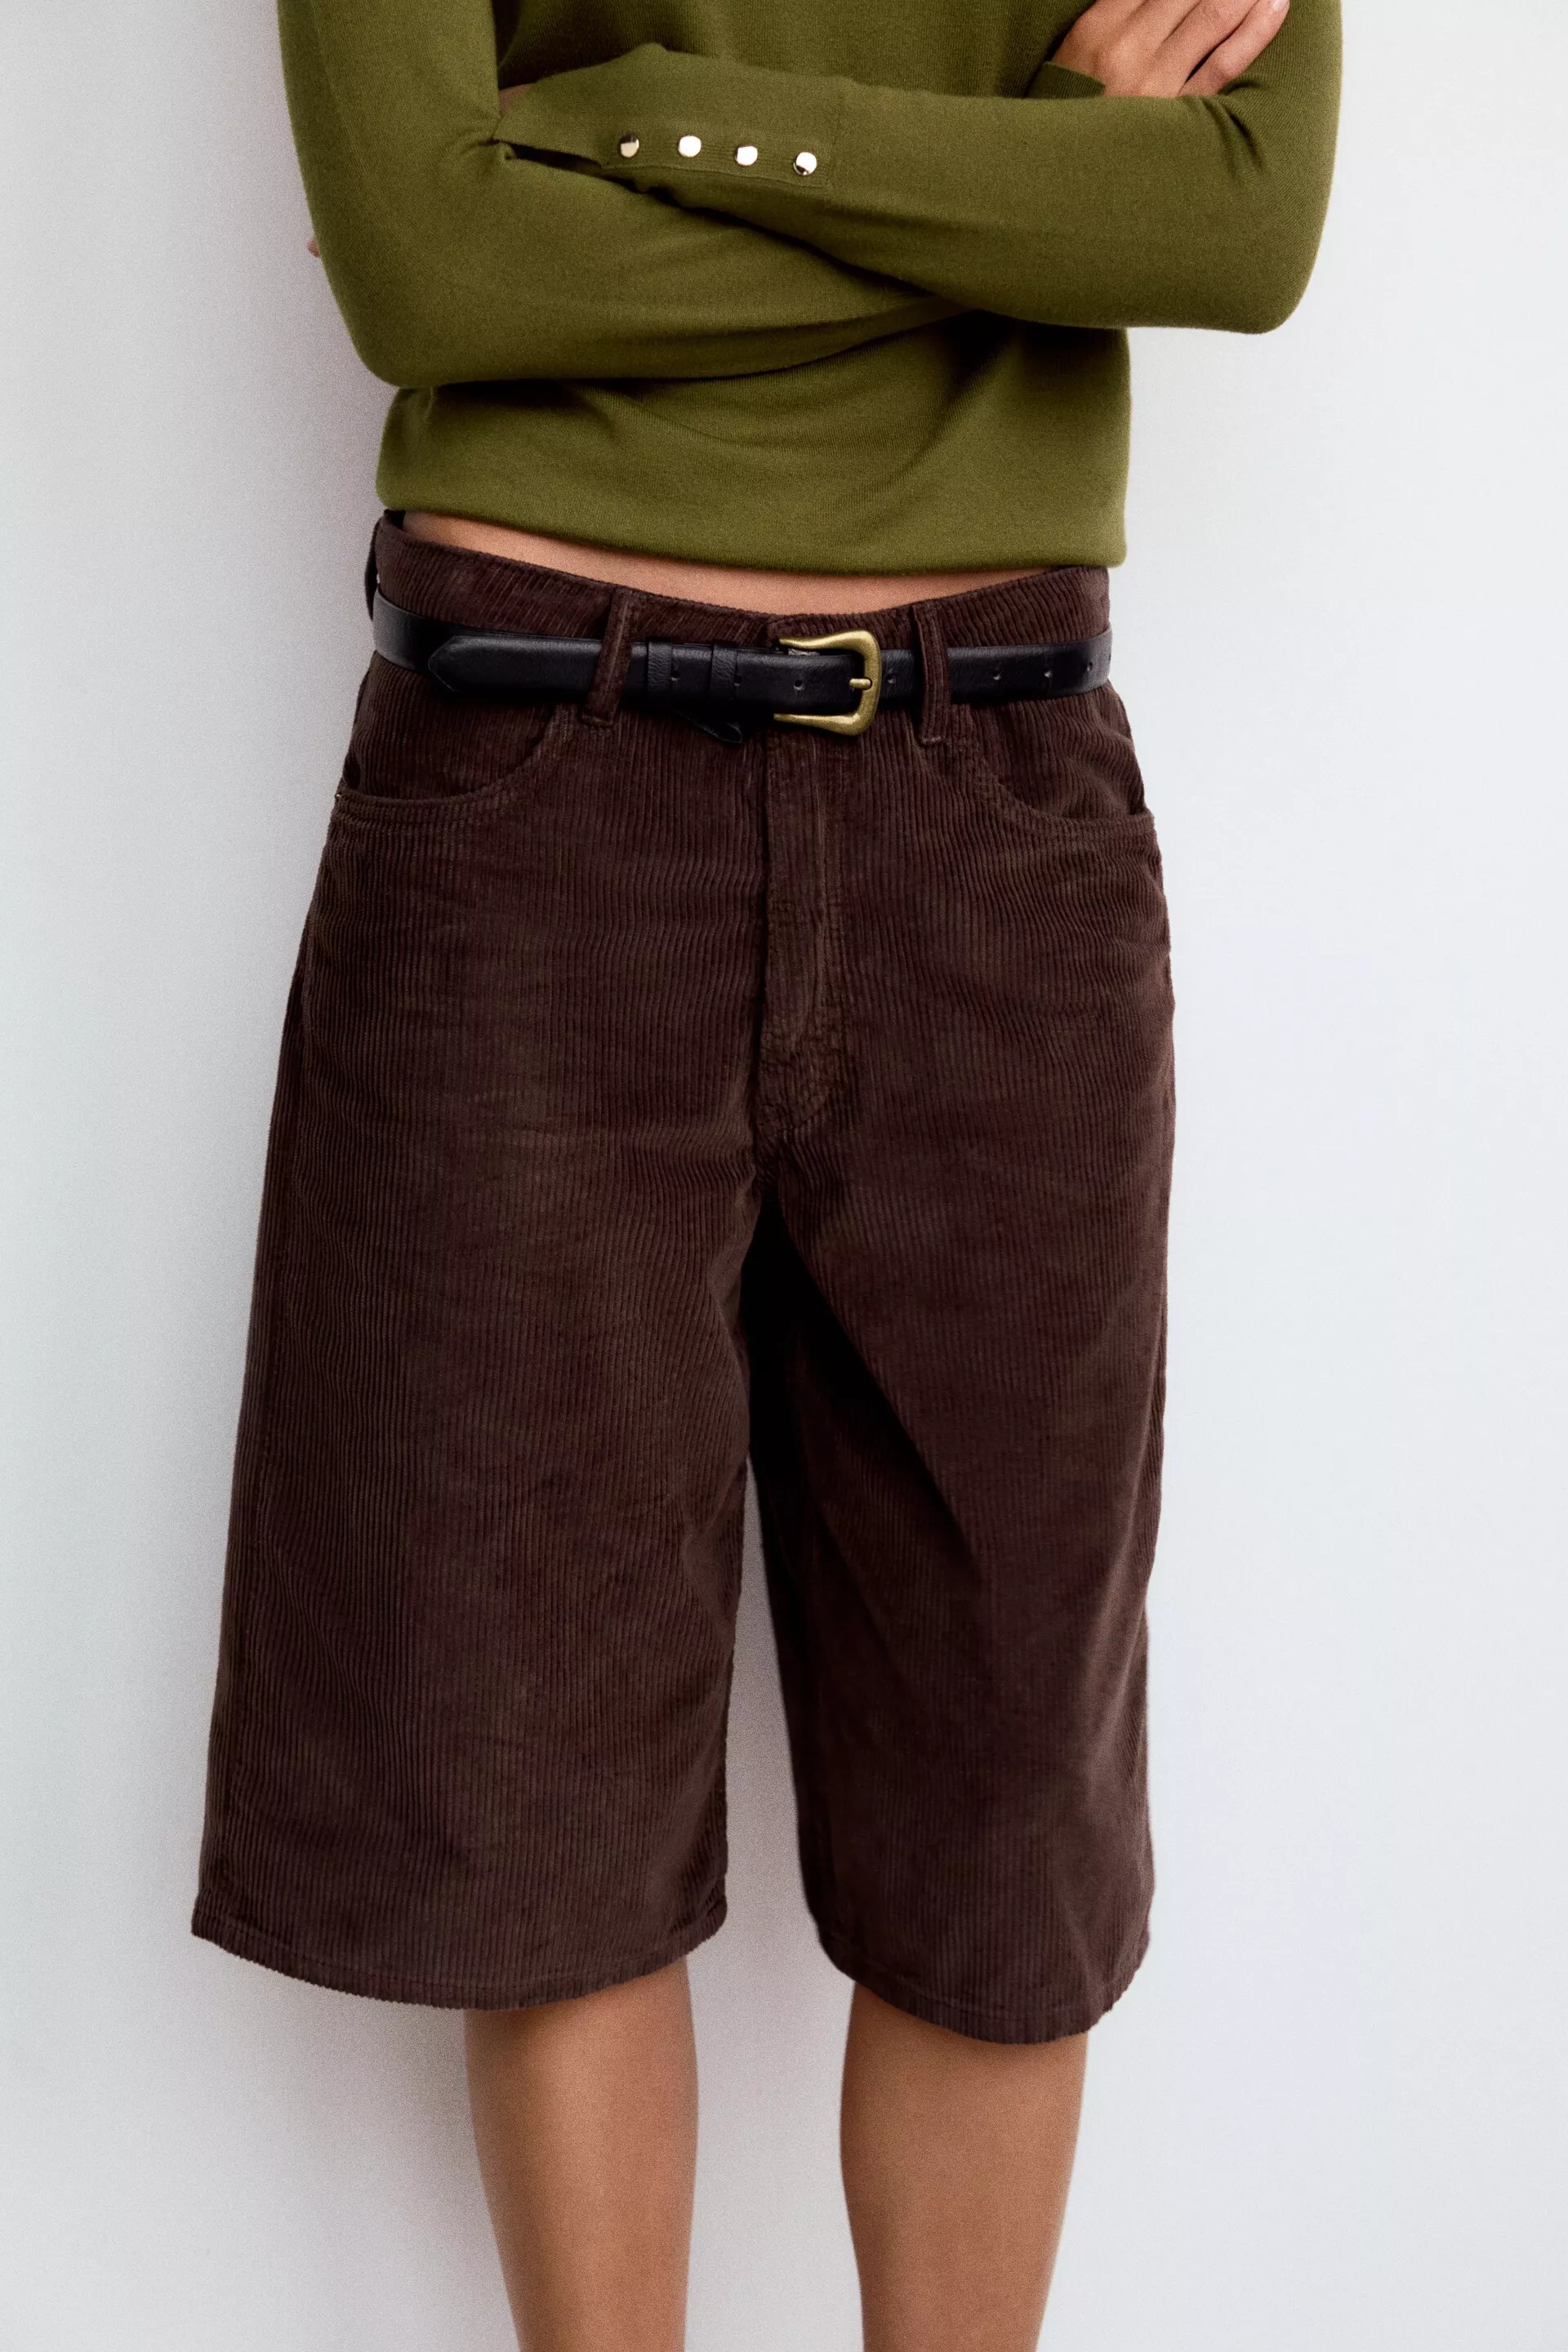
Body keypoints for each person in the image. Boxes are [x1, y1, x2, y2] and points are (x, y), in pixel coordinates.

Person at [190, 0, 1340, 2343]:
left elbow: (1236, 231)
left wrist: (630, 134)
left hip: (995, 797)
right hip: (530, 782)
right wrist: (1028, 182)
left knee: (1006, 1808)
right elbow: (432, 264)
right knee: (532, 1796)